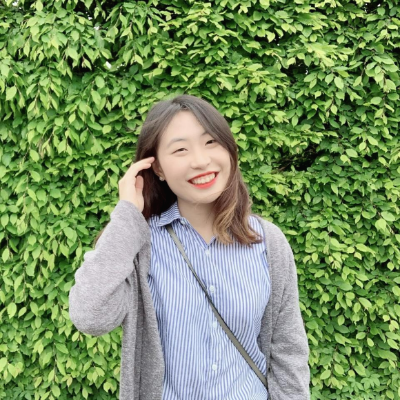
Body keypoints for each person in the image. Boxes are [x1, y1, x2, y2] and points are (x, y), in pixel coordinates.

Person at [69, 94, 310, 400]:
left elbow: (288, 351)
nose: (200, 161)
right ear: (157, 168)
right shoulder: (141, 246)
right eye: (180, 149)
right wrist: (128, 214)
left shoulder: (267, 242)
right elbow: (90, 316)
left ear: (229, 150)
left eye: (210, 142)